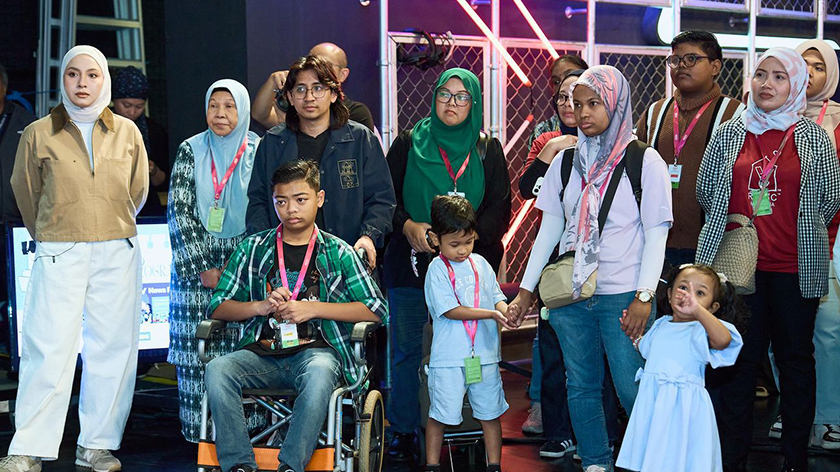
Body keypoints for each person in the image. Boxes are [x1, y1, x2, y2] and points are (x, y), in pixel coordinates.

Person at [509, 65, 673, 472]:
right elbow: (547, 232)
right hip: (571, 294)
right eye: (575, 103)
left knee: (630, 387)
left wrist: (644, 296)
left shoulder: (645, 160)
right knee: (579, 386)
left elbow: (657, 235)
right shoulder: (565, 163)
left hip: (624, 295)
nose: (582, 112)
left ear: (616, 103)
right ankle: (596, 462)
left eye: (593, 103)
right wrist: (526, 291)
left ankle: (655, 460)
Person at [3, 45, 148, 472]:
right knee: (47, 348)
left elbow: (136, 193)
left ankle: (96, 445)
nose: (82, 83)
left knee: (113, 349)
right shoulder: (37, 132)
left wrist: (108, 221)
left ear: (104, 80)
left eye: (91, 75)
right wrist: (52, 230)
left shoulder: (127, 131)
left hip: (116, 248)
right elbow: (25, 192)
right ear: (62, 80)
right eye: (73, 75)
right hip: (58, 248)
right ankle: (28, 446)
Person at [695, 48, 840, 472]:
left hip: (796, 269)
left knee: (796, 361)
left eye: (779, 76)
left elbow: (831, 199)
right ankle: (731, 458)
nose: (767, 84)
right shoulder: (730, 132)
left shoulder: (812, 135)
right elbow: (707, 189)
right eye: (761, 74)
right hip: (740, 271)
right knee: (737, 363)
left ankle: (795, 458)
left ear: (795, 85)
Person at [204, 159, 388, 472]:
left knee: (318, 372)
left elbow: (376, 309)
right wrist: (260, 306)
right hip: (261, 355)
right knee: (218, 369)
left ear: (319, 199)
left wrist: (313, 308)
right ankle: (239, 465)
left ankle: (290, 465)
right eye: (281, 201)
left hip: (317, 355)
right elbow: (218, 305)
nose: (291, 209)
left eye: (301, 199)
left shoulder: (338, 252)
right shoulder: (253, 248)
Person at [382, 67, 511, 461]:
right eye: (444, 94)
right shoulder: (408, 143)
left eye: (461, 96)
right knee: (406, 351)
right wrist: (408, 226)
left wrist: (462, 243)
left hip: (468, 273)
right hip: (412, 263)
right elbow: (385, 199)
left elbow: (499, 209)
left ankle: (470, 428)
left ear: (474, 103)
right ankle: (403, 430)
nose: (451, 103)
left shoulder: (487, 148)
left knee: (468, 351)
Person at [519, 67, 621, 460]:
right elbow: (531, 190)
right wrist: (551, 153)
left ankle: (601, 437)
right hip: (560, 267)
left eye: (584, 101)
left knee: (603, 366)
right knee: (556, 354)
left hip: (610, 272)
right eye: (565, 99)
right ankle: (560, 431)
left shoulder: (626, 153)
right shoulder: (552, 145)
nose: (572, 107)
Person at [166, 79, 261, 443]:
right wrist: (204, 267)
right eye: (213, 106)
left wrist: (243, 270)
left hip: (244, 260)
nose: (220, 114)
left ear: (243, 110)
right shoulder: (189, 150)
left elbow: (267, 209)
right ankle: (203, 442)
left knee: (243, 352)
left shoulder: (259, 149)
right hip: (197, 270)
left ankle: (248, 441)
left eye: (229, 106)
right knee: (197, 355)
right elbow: (180, 212)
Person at [246, 55, 395, 268]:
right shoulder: (272, 143)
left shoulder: (361, 139)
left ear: (334, 94)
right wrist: (263, 244)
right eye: (300, 89)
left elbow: (381, 199)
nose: (309, 97)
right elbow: (258, 200)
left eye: (318, 88)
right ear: (289, 96)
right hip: (285, 262)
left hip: (348, 257)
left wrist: (369, 235)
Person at [616, 264, 745, 472]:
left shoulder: (701, 330)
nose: (689, 296)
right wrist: (634, 337)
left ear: (712, 307)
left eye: (700, 293)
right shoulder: (661, 324)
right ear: (669, 294)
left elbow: (723, 341)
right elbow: (647, 349)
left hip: (683, 410)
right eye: (683, 288)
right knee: (654, 458)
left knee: (681, 458)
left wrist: (697, 311)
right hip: (655, 404)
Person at [422, 195, 518, 472]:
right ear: (436, 239)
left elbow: (496, 297)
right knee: (440, 413)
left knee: (491, 413)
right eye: (454, 244)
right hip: (449, 358)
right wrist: (491, 313)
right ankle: (431, 466)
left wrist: (505, 310)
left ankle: (495, 466)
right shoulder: (437, 269)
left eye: (468, 241)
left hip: (485, 355)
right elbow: (450, 310)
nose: (462, 250)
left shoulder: (481, 264)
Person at [635, 31, 745, 267]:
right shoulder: (655, 112)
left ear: (715, 66)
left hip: (714, 244)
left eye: (692, 59)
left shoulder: (737, 115)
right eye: (675, 60)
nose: (681, 66)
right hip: (655, 242)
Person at [795, 38, 840, 450]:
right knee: (781, 334)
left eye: (818, 67)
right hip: (772, 241)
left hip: (827, 240)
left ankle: (827, 416)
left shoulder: (839, 122)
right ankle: (794, 413)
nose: (809, 73)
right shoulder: (764, 118)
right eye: (801, 64)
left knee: (826, 330)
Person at [252, 42, 375, 132]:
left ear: (343, 75)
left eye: (326, 64)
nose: (310, 98)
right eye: (312, 62)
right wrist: (273, 80)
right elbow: (260, 115)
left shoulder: (356, 114)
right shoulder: (299, 106)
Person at [0, 62, 36, 326]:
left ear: (3, 88)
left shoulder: (26, 122)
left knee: (15, 290)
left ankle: (13, 348)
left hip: (16, 224)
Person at [112, 66, 170, 217]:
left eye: (139, 107)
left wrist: (153, 170)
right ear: (113, 99)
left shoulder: (155, 132)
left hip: (146, 207)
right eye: (126, 105)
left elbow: (163, 183)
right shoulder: (100, 128)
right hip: (110, 206)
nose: (132, 112)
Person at [526, 54, 589, 148]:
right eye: (556, 82)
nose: (563, 85)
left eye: (570, 76)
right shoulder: (544, 131)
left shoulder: (601, 129)